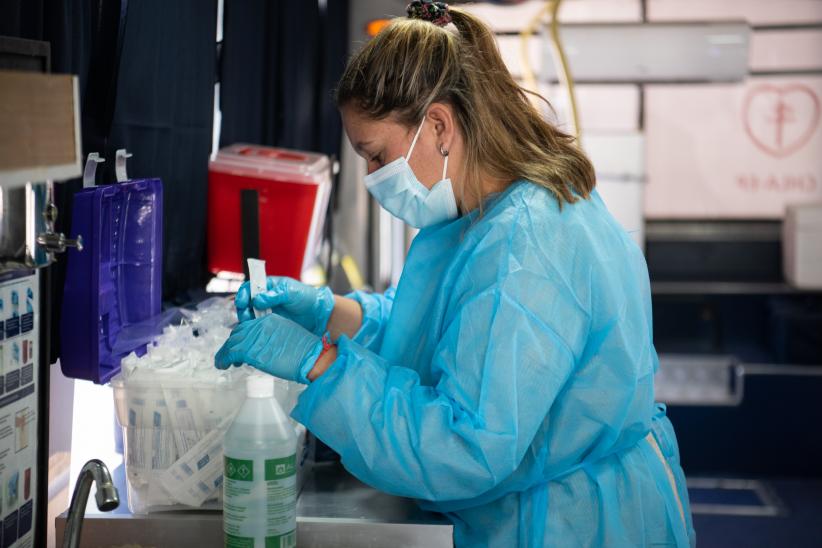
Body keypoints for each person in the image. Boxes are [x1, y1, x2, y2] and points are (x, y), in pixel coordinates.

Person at [215, 1, 696, 546]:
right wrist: (327, 312)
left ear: (439, 124)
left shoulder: (528, 244)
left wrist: (317, 363)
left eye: (375, 156)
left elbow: (465, 444)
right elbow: (441, 335)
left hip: (573, 523)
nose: (373, 177)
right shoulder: (479, 217)